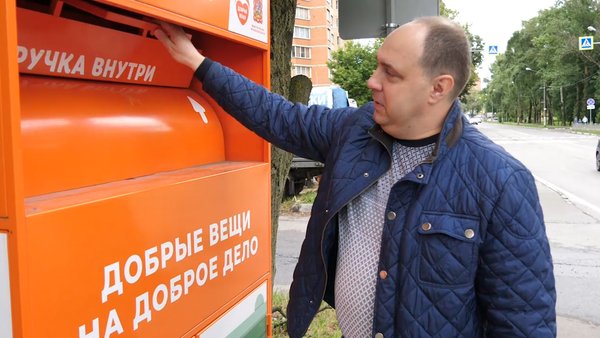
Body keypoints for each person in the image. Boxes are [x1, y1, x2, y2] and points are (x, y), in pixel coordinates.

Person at [154, 16, 556, 338]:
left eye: (390, 73)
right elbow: (277, 115)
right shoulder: (354, 131)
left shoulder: (499, 181)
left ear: (439, 87)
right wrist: (198, 63)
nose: (372, 81)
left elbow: (523, 320)